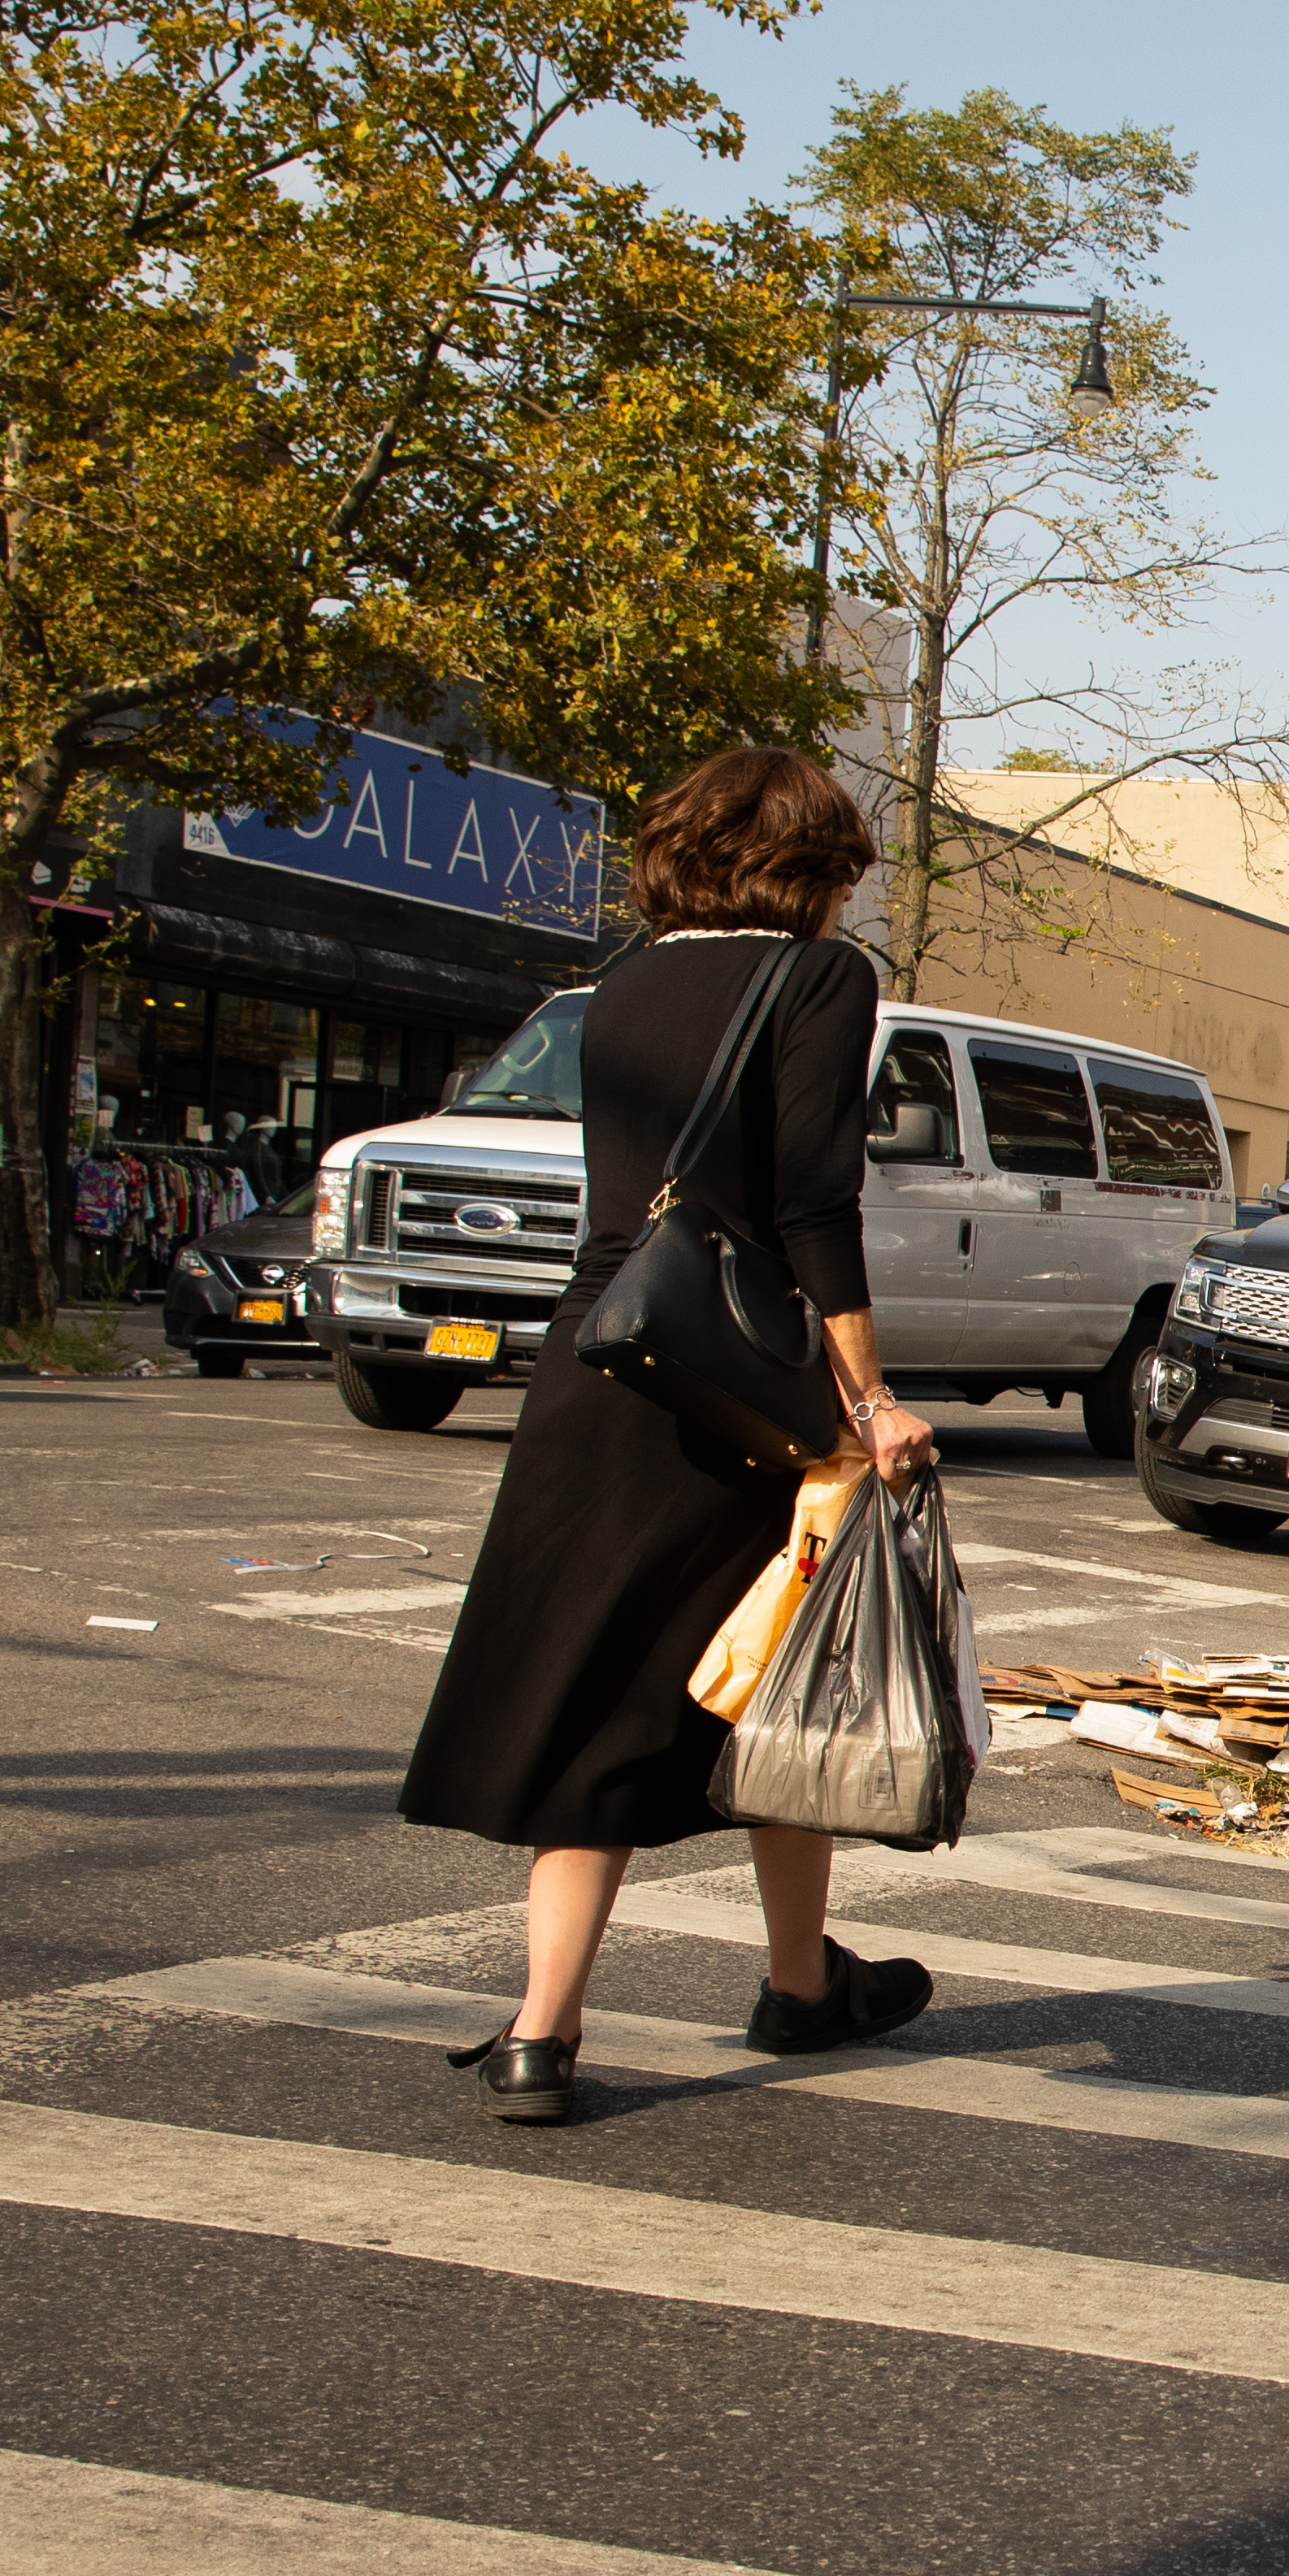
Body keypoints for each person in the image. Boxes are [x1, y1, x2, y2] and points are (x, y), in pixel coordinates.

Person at [401, 747, 945, 2127]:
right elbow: (815, 1205)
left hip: (601, 1362)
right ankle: (797, 1984)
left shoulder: (624, 981)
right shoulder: (822, 981)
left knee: (602, 1683)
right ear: (810, 868)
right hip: (738, 1384)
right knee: (781, 1672)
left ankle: (542, 2028)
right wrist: (871, 1402)